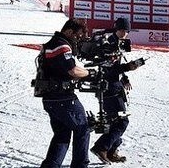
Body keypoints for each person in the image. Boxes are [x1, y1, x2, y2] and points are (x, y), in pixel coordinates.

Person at [39, 19, 92, 168]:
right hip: (63, 98)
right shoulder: (61, 45)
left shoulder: (51, 44)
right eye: (78, 35)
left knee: (62, 135)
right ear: (69, 32)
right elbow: (72, 70)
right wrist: (89, 73)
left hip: (51, 98)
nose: (78, 39)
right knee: (83, 128)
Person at [91, 17, 142, 163]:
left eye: (127, 31)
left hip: (113, 87)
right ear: (118, 29)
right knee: (121, 121)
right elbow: (109, 69)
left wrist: (124, 77)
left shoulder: (116, 44)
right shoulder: (110, 44)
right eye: (124, 30)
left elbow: (116, 67)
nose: (126, 33)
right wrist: (128, 67)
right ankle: (102, 147)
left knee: (114, 121)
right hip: (110, 89)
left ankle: (112, 150)